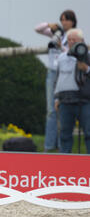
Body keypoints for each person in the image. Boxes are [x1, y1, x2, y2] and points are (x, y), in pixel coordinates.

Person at [35, 10, 77, 151]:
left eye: (66, 19)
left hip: (65, 74)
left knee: (63, 110)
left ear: (72, 21)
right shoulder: (56, 33)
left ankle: (61, 145)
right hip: (52, 72)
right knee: (51, 110)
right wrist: (49, 24)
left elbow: (74, 53)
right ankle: (49, 145)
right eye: (62, 19)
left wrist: (61, 47)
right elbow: (38, 29)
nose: (64, 22)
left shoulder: (75, 35)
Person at [54, 28, 90, 153]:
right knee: (64, 134)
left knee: (88, 132)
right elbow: (58, 78)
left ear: (81, 41)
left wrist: (86, 68)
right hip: (65, 100)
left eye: (74, 40)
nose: (71, 42)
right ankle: (64, 163)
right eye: (69, 40)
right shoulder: (62, 57)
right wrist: (57, 98)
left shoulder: (87, 56)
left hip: (84, 100)